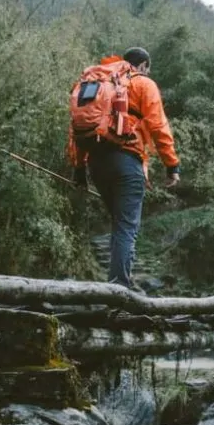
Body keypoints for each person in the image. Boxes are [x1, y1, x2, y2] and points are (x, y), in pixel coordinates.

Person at [69, 46, 179, 289]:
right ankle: (119, 291)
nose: (148, 73)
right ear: (142, 66)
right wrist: (172, 165)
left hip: (96, 163)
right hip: (127, 161)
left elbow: (76, 129)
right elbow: (158, 126)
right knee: (126, 227)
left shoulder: (95, 83)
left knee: (120, 224)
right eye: (147, 69)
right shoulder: (142, 84)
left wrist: (79, 169)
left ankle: (118, 285)